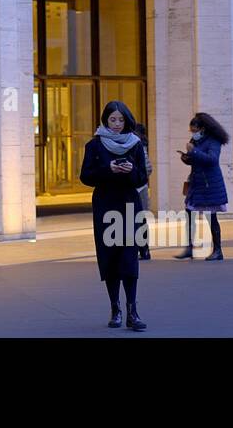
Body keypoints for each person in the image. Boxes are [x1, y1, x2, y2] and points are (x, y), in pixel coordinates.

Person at [80, 100, 150, 332]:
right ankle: (115, 308)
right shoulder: (95, 145)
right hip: (105, 205)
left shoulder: (135, 144)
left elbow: (141, 178)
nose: (117, 124)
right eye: (113, 119)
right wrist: (108, 170)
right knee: (110, 256)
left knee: (129, 257)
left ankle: (133, 311)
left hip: (129, 204)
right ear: (105, 120)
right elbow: (86, 176)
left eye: (121, 120)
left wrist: (130, 172)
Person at [175, 112, 229, 261]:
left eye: (195, 130)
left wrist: (194, 151)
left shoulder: (214, 141)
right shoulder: (196, 140)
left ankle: (217, 250)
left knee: (211, 217)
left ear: (203, 129)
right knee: (189, 212)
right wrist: (186, 158)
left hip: (210, 184)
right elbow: (196, 159)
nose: (193, 133)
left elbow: (212, 159)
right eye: (191, 131)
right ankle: (189, 248)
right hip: (197, 182)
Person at [132, 123, 152, 261]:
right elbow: (148, 168)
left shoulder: (136, 145)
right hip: (142, 186)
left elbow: (147, 167)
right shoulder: (142, 144)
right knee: (140, 219)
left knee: (135, 220)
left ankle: (142, 249)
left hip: (136, 187)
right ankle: (144, 250)